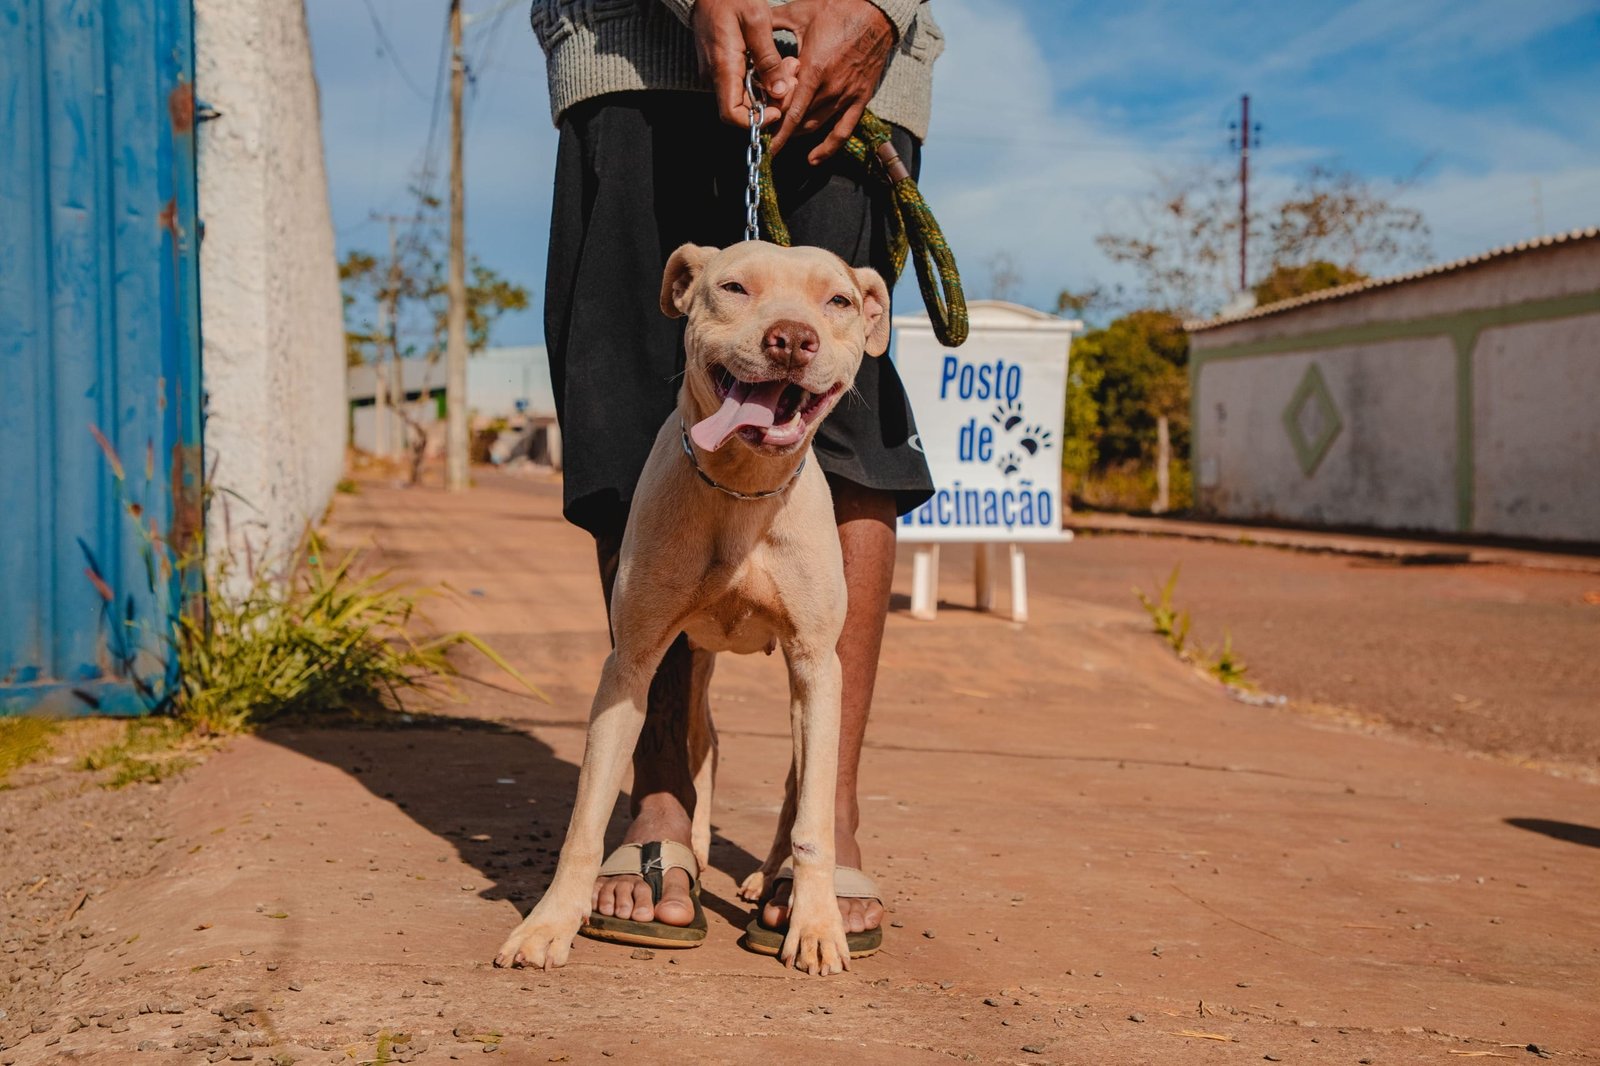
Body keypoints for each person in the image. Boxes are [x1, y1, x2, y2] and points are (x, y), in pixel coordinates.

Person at [530, 0, 943, 949]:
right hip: (631, 48)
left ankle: (825, 823)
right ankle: (661, 795)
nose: (787, 327)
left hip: (854, 55)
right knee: (625, 395)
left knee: (853, 430)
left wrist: (885, 8)